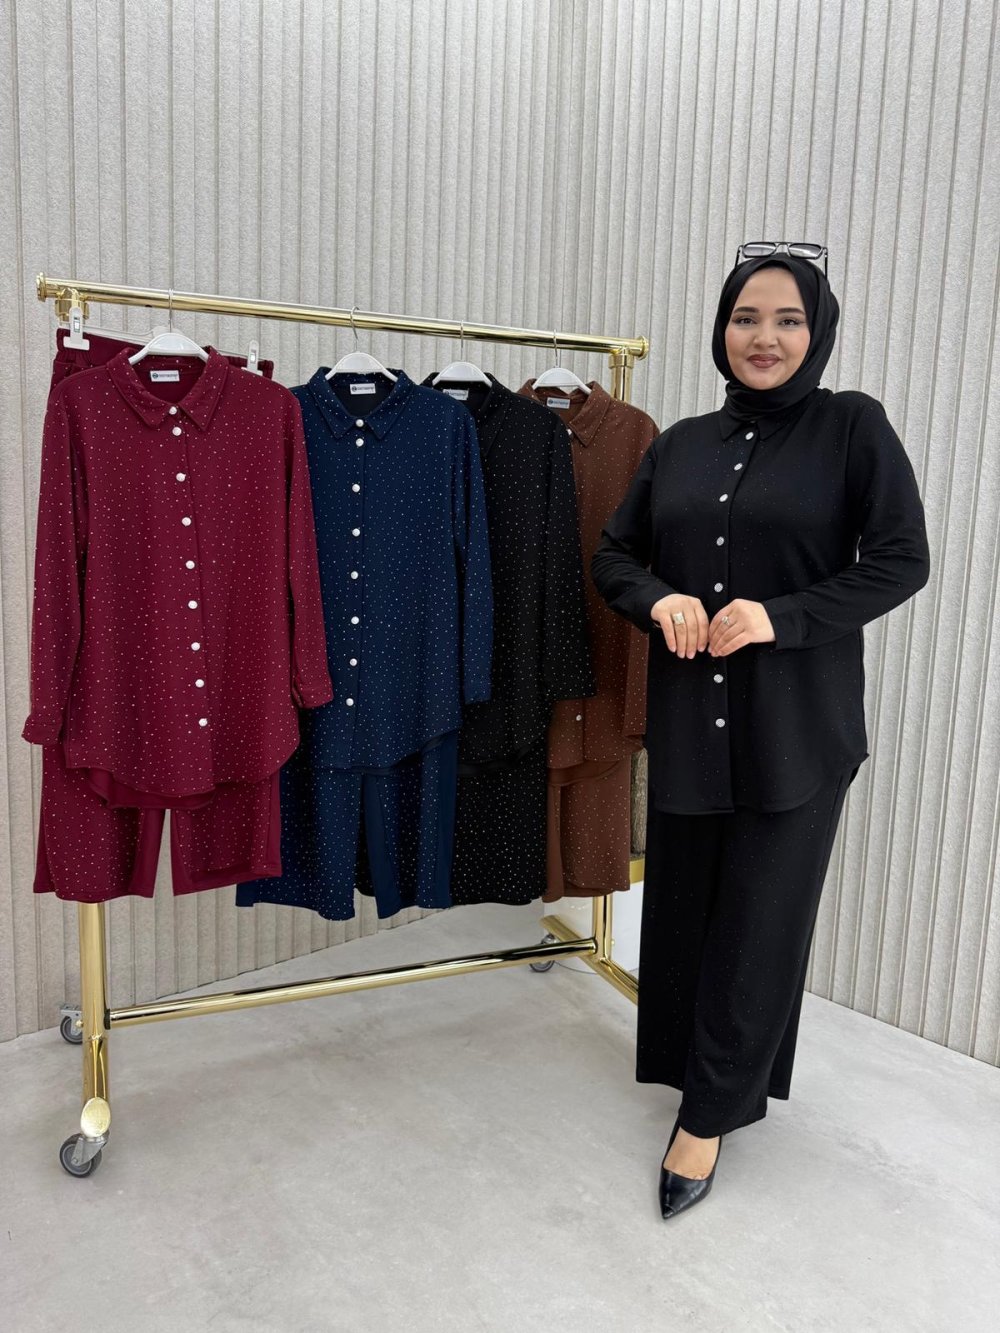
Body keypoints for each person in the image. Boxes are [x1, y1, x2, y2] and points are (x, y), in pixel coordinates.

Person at [591, 243, 930, 1219]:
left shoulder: (852, 427)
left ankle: (708, 1116)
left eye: (788, 319)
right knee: (685, 913)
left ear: (816, 333)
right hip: (691, 723)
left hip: (798, 729)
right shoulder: (681, 444)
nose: (765, 337)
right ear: (721, 329)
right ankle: (692, 1069)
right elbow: (615, 556)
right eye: (746, 317)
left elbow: (900, 559)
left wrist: (781, 616)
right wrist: (657, 599)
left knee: (759, 924)